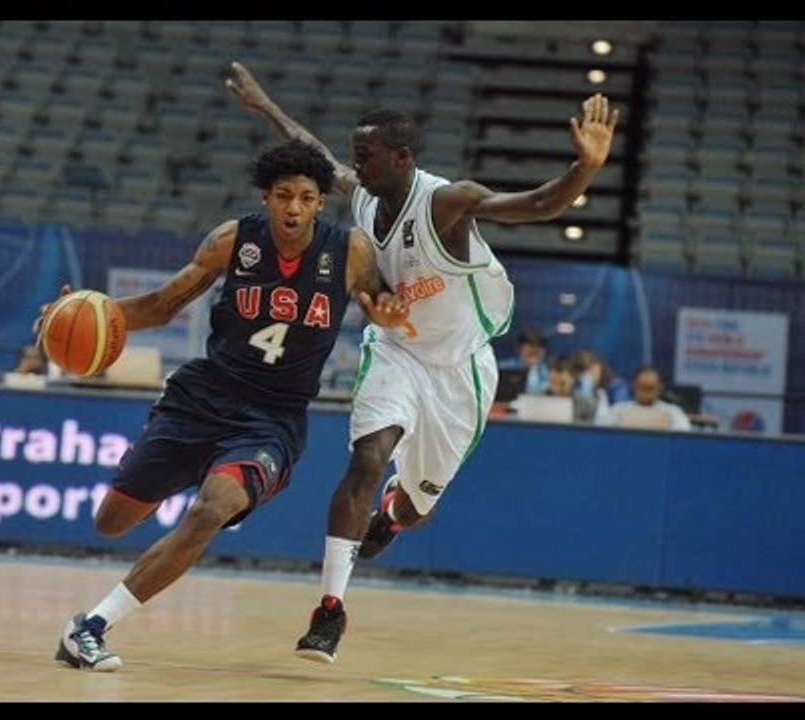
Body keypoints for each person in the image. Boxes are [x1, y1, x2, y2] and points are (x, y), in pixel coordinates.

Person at [226, 61, 620, 663]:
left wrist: (585, 168)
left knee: (412, 507)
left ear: (403, 158)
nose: (357, 165)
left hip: (460, 368)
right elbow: (311, 152)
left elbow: (538, 205)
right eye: (357, 153)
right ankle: (329, 612)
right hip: (396, 352)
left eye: (369, 154)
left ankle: (392, 513)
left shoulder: (447, 202)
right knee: (365, 459)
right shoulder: (363, 199)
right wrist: (264, 107)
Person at [45, 140, 409, 672]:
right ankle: (192, 467)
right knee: (112, 522)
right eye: (283, 195)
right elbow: (160, 305)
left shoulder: (347, 251)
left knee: (210, 511)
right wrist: (77, 313)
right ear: (265, 197)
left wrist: (390, 313)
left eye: (305, 198)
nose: (292, 207)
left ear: (318, 204)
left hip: (271, 420)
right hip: (203, 397)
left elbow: (380, 307)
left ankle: (88, 627)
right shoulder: (233, 241)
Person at [599, 365, 692, 431]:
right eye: (642, 388)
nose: (646, 393)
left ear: (659, 388)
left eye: (650, 388)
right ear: (634, 386)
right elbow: (603, 434)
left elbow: (683, 434)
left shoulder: (672, 412)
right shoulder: (618, 410)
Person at [499, 329, 550, 394]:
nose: (534, 349)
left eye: (537, 351)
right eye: (530, 352)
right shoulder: (504, 367)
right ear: (519, 348)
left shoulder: (550, 370)